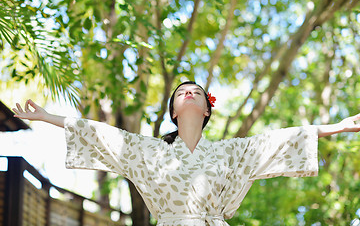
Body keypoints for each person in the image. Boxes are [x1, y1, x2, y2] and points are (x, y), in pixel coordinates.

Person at [13, 81, 360, 226]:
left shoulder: (232, 151)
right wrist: (46, 117)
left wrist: (338, 127)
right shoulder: (147, 150)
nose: (190, 93)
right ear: (174, 111)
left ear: (207, 111)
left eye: (197, 91)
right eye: (183, 92)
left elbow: (278, 141)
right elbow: (101, 135)